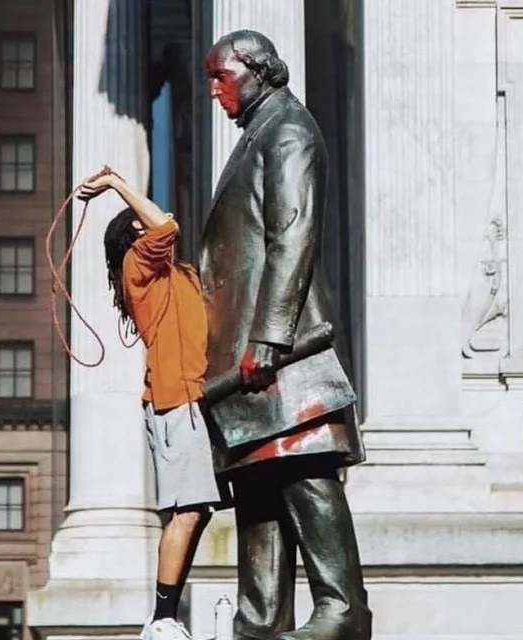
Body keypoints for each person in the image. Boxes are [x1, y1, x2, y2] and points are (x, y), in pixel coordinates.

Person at [199, 31, 372, 640]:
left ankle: (343, 609)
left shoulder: (288, 130)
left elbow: (291, 233)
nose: (213, 89)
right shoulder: (256, 135)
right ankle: (261, 618)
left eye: (220, 76)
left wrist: (269, 336)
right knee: (260, 477)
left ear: (258, 71)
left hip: (283, 350)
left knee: (303, 468)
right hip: (249, 353)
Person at [79, 169, 222, 640]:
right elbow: (165, 227)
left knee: (195, 511)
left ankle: (166, 614)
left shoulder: (177, 275)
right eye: (142, 222)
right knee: (187, 511)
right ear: (134, 237)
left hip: (195, 401)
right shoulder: (137, 267)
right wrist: (118, 185)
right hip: (175, 402)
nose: (159, 219)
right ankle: (162, 617)